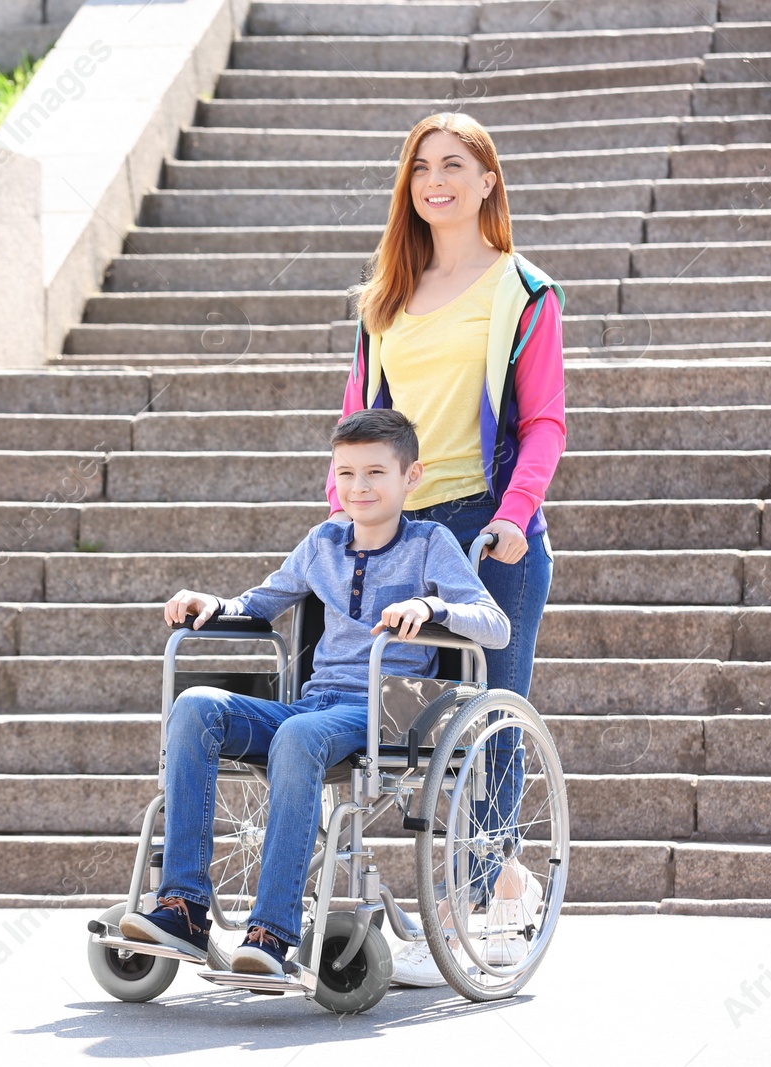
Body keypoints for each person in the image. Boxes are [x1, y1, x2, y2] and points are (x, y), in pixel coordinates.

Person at [119, 408, 510, 978]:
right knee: (194, 707)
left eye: (376, 472)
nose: (360, 486)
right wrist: (215, 605)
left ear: (412, 477)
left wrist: (430, 606)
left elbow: (493, 625)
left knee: (299, 734)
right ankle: (184, 909)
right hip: (313, 706)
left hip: (387, 710)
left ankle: (272, 932)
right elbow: (261, 603)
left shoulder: (431, 543)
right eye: (347, 473)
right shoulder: (322, 542)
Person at [326, 112, 566, 986]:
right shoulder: (383, 297)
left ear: (487, 181)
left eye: (455, 165)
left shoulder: (523, 291)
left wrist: (515, 511)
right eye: (422, 166)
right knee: (393, 726)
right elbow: (356, 426)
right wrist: (342, 515)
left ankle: (473, 904)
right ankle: (499, 882)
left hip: (491, 534)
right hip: (400, 537)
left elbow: (543, 424)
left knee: (490, 723)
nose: (437, 179)